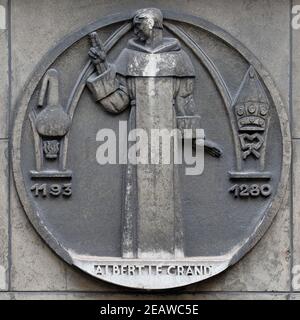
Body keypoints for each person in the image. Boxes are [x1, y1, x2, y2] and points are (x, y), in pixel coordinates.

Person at [87, 8, 222, 259]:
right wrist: (102, 66)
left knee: (166, 191)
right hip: (138, 134)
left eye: (140, 25)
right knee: (137, 190)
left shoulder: (179, 59)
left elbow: (185, 104)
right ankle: (134, 254)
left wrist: (196, 140)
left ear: (154, 25)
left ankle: (171, 253)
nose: (135, 30)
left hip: (167, 137)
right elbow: (118, 103)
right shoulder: (129, 56)